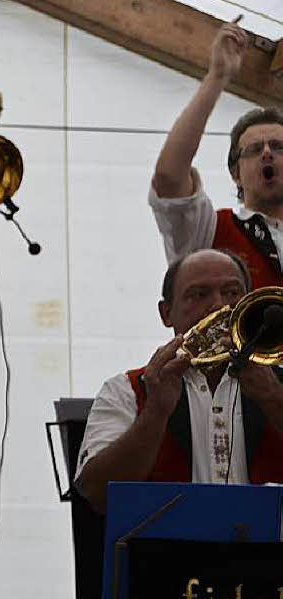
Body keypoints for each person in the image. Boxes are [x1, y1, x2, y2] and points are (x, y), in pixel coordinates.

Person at [75, 249, 283, 514]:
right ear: (167, 313)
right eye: (199, 294)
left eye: (232, 293)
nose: (219, 306)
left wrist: (273, 397)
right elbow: (97, 492)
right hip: (167, 553)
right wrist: (156, 411)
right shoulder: (125, 389)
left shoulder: (276, 382)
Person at [151, 19, 283, 289]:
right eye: (255, 150)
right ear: (236, 175)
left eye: (279, 147)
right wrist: (217, 77)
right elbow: (168, 176)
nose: (268, 153)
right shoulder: (209, 230)